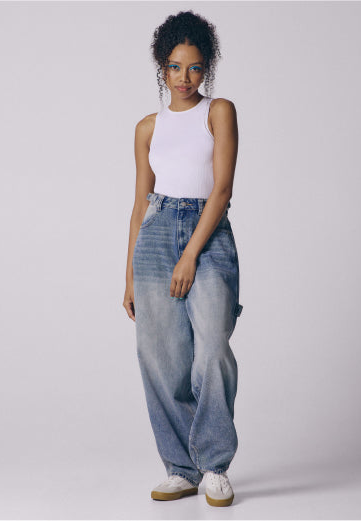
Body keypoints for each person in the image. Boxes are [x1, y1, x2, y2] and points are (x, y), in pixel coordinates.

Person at [123, 10, 243, 507]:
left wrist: (191, 254)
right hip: (154, 237)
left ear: (206, 67)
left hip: (207, 235)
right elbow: (140, 203)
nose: (185, 78)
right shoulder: (147, 128)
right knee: (161, 358)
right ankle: (180, 467)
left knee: (211, 348)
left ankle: (213, 465)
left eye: (194, 68)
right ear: (162, 67)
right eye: (175, 67)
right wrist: (129, 276)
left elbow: (222, 190)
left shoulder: (219, 112)